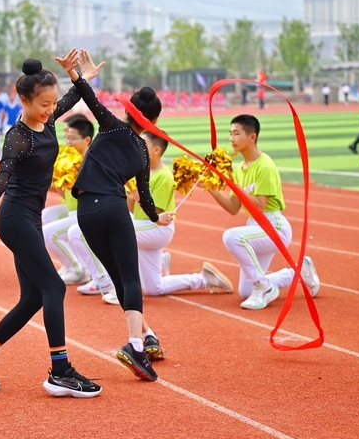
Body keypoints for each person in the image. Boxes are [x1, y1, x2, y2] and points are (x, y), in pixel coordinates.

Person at [0, 50, 103, 398]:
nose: (51, 109)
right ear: (23, 99)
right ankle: (60, 371)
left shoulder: (48, 121)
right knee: (54, 287)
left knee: (32, 298)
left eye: (53, 103)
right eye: (43, 104)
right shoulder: (18, 135)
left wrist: (79, 76)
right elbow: (3, 172)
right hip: (14, 217)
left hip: (29, 218)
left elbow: (74, 95)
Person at [65, 50, 174, 381]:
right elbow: (144, 196)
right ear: (151, 122)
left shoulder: (109, 126)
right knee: (129, 278)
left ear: (130, 110)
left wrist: (76, 75)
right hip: (113, 208)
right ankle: (134, 346)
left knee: (118, 275)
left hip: (86, 212)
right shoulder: (143, 151)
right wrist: (157, 218)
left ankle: (147, 334)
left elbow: (88, 97)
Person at [206, 114, 321, 309]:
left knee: (231, 237)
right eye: (230, 133)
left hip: (273, 226)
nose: (231, 138)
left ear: (252, 137)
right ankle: (299, 271)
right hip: (255, 227)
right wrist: (211, 188)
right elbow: (234, 208)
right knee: (245, 291)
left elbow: (259, 205)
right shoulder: (240, 168)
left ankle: (264, 287)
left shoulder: (265, 165)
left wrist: (233, 185)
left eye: (236, 133)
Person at [125, 131, 233, 300]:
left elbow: (154, 212)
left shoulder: (163, 175)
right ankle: (203, 279)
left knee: (113, 233)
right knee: (154, 288)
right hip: (143, 227)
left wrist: (133, 189)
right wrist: (130, 191)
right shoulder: (139, 173)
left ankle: (112, 286)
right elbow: (132, 209)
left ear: (156, 150)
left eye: (142, 145)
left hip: (157, 228)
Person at [42, 116, 95, 285]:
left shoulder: (88, 159)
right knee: (49, 215)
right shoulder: (71, 157)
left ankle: (78, 269)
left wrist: (64, 177)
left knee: (49, 232)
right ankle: (75, 265)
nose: (67, 140)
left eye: (71, 136)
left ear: (86, 139)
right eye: (66, 135)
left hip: (89, 211)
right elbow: (65, 194)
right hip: (75, 208)